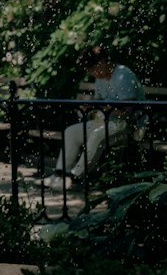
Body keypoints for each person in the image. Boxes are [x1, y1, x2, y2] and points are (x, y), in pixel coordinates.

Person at [54, 46, 145, 185]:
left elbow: (127, 110)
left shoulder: (123, 75)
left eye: (92, 69)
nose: (92, 73)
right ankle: (60, 174)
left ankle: (74, 177)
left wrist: (97, 107)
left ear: (102, 62)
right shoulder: (101, 79)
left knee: (96, 135)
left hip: (130, 125)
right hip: (107, 122)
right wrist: (89, 106)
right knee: (71, 132)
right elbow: (99, 102)